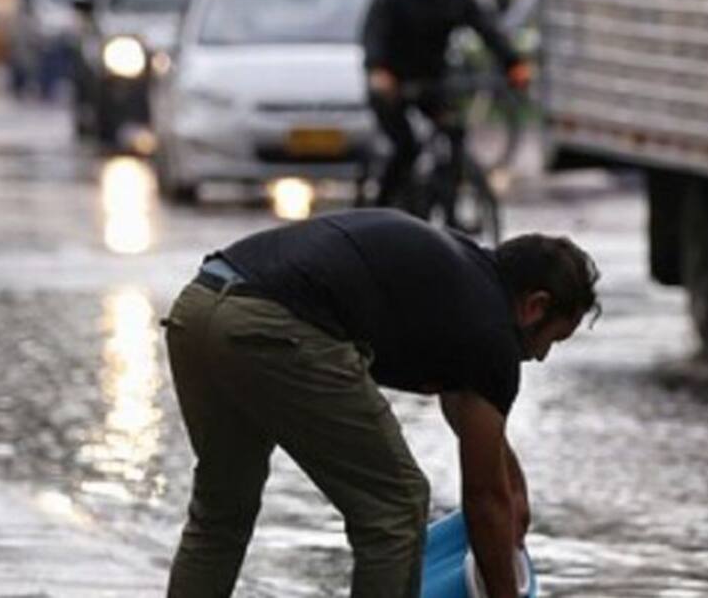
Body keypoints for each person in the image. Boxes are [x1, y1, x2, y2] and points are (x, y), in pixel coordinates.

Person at [163, 208, 600, 597]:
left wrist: (513, 486)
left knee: (221, 512)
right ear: (534, 306)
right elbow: (484, 501)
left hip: (199, 309)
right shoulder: (493, 336)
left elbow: (468, 412)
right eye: (551, 339)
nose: (541, 356)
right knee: (396, 509)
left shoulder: (461, 278)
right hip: (272, 327)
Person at [361, 0, 533, 208]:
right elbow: (374, 36)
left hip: (434, 83)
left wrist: (513, 63)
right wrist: (379, 71)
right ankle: (382, 206)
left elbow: (486, 29)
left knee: (454, 135)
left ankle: (448, 201)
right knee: (405, 147)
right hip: (394, 86)